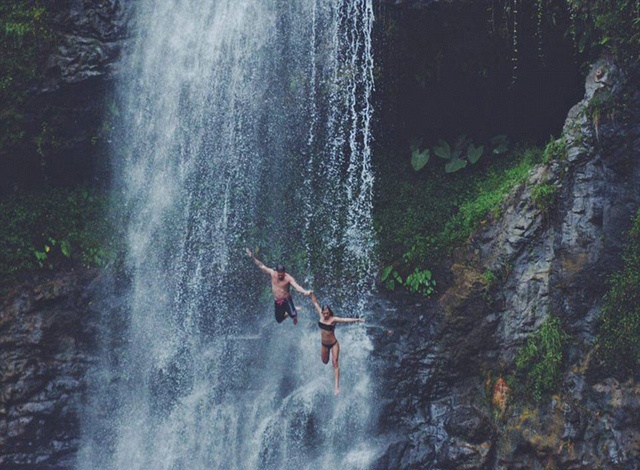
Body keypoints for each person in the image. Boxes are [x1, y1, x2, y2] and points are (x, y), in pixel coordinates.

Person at [310, 292, 364, 395]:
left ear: (329, 313)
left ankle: (336, 387)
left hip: (334, 344)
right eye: (324, 313)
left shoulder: (333, 319)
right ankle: (334, 377)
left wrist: (357, 319)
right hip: (324, 344)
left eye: (327, 313)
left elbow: (345, 320)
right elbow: (315, 303)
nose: (325, 315)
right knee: (325, 361)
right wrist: (311, 294)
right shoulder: (320, 315)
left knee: (335, 363)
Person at [246, 248, 312, 325]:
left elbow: (297, 287)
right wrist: (252, 256)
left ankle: (293, 311)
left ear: (284, 272)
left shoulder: (288, 278)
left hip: (286, 299)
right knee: (279, 320)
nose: (280, 276)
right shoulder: (272, 273)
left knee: (293, 316)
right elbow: (261, 265)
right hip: (277, 301)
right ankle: (292, 310)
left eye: (282, 274)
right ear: (276, 272)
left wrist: (305, 292)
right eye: (279, 274)